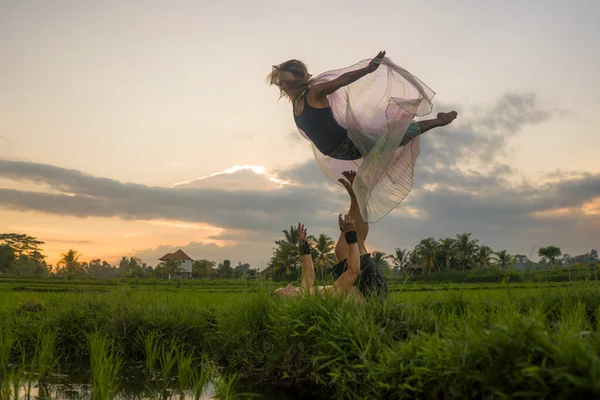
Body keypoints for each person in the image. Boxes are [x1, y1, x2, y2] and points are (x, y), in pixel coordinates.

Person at [267, 51, 458, 223]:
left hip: (349, 145)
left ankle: (440, 121)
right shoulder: (295, 101)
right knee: (391, 138)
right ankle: (436, 123)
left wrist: (367, 70)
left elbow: (341, 81)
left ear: (299, 78)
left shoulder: (314, 93)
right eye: (281, 82)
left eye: (286, 80)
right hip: (339, 151)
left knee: (395, 137)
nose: (282, 85)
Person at [273, 171, 388, 302]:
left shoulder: (306, 293)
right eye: (283, 291)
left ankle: (355, 199)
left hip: (358, 286)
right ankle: (361, 196)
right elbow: (353, 271)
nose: (287, 286)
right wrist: (350, 233)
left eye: (283, 287)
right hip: (371, 291)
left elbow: (308, 274)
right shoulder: (318, 299)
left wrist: (304, 245)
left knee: (340, 249)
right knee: (359, 246)